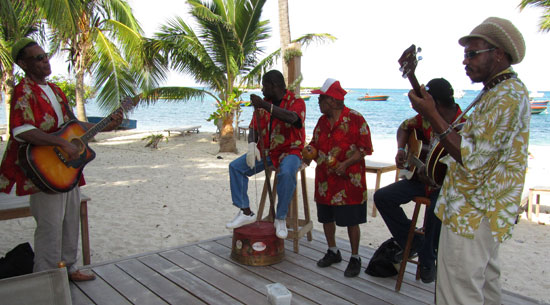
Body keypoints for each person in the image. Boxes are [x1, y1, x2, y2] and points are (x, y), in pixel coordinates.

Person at [408, 17, 530, 305]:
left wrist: (431, 114)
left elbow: (470, 157)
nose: (466, 61)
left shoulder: (506, 96)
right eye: (465, 54)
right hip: (480, 210)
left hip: (473, 212)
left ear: (498, 53)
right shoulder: (496, 90)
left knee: (458, 294)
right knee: (485, 288)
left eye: (473, 53)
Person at [0, 38, 123, 281]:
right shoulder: (24, 91)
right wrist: (60, 143)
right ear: (24, 64)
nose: (46, 61)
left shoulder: (55, 90)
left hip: (69, 167)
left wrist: (107, 126)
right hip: (44, 169)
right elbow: (20, 131)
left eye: (45, 55)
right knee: (50, 227)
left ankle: (69, 267)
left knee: (70, 221)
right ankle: (46, 279)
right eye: (38, 58)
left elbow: (73, 126)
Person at [373, 78, 465, 283]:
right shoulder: (424, 119)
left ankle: (426, 257)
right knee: (382, 197)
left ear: (437, 104)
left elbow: (466, 163)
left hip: (447, 187)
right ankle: (414, 242)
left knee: (435, 209)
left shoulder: (464, 125)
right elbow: (404, 127)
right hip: (420, 180)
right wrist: (400, 149)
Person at [226, 70, 306, 239]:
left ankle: (281, 217)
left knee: (286, 172)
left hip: (290, 150)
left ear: (274, 86)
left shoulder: (295, 101)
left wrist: (264, 105)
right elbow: (254, 128)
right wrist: (251, 146)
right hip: (267, 150)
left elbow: (293, 118)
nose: (262, 90)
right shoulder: (264, 104)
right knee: (235, 167)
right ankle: (246, 211)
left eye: (264, 86)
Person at [306, 78, 373, 277]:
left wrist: (345, 164)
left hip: (348, 182)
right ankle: (333, 251)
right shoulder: (322, 121)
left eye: (322, 99)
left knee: (352, 221)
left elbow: (364, 149)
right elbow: (315, 144)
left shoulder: (355, 119)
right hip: (326, 181)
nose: (318, 102)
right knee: (326, 218)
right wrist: (309, 151)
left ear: (333, 101)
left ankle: (355, 257)